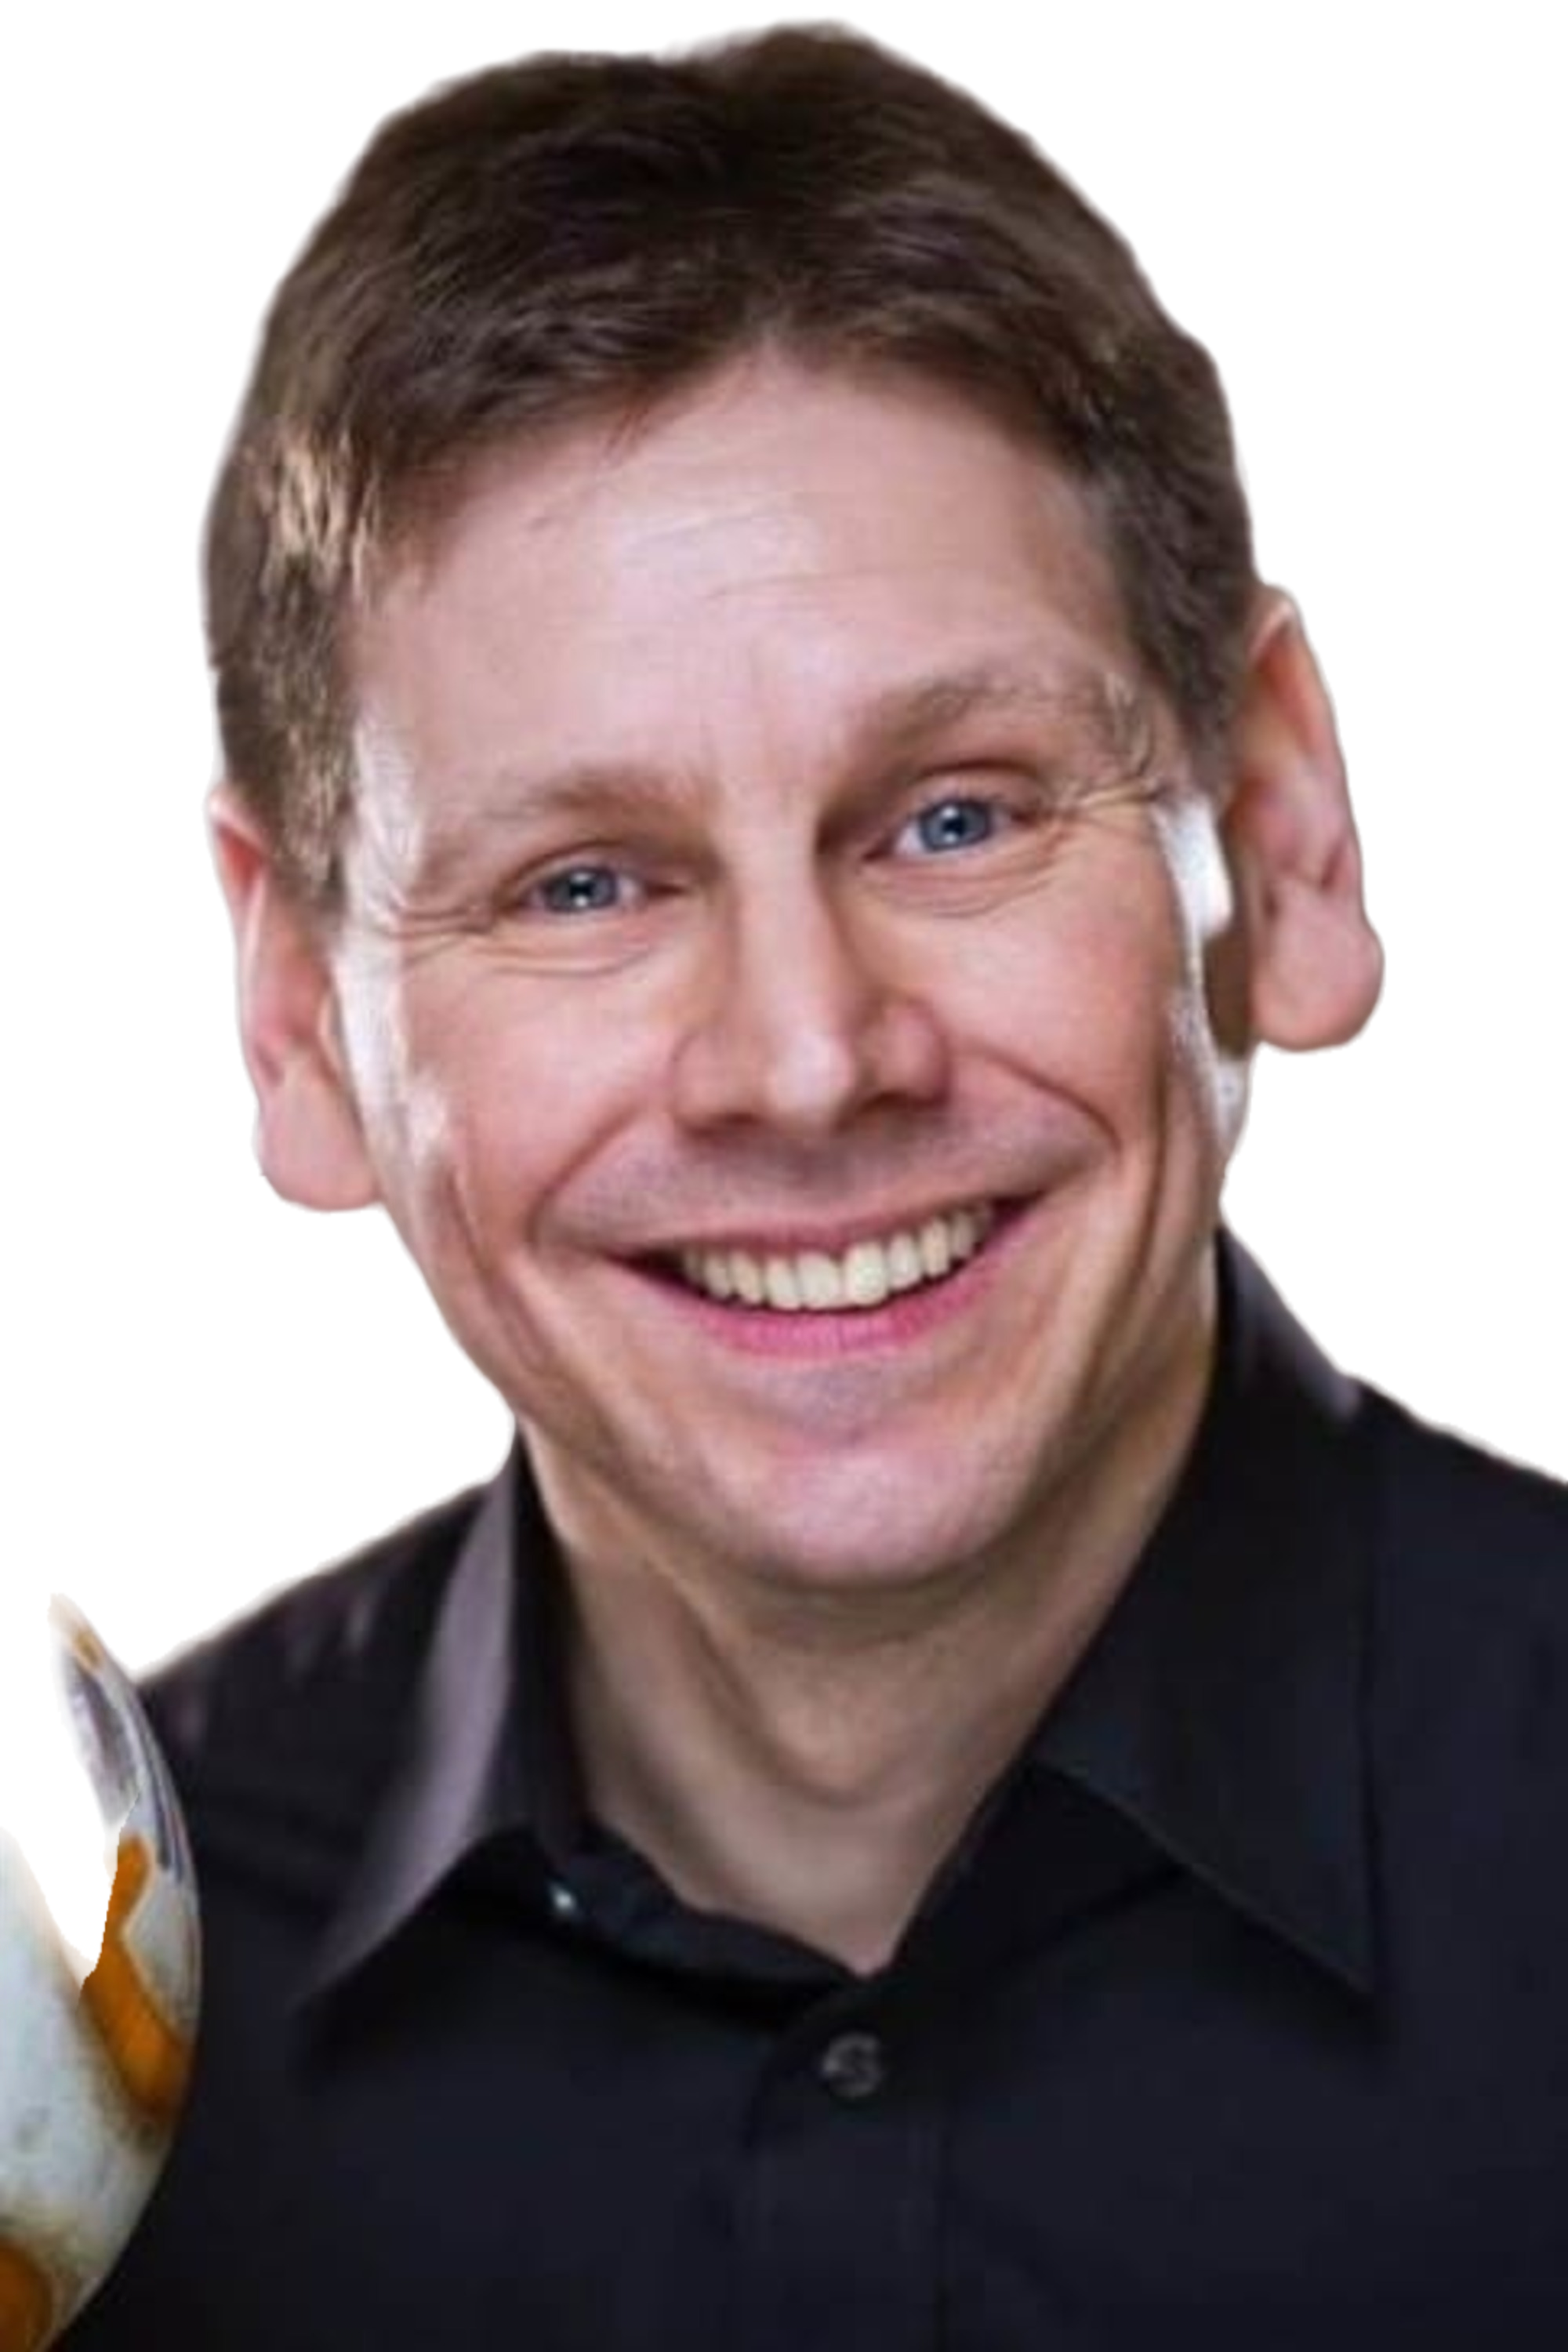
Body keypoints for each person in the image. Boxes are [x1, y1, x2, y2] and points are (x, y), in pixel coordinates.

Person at [67, 20, 1565, 2347]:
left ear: (1280, 836)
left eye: (957, 815)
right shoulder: (70, 2029)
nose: (806, 1059)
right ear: (293, 1013)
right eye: (581, 883)